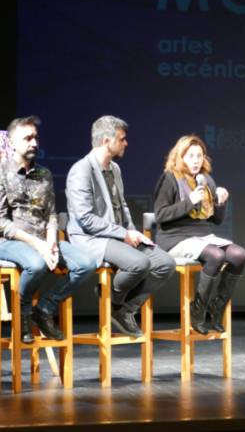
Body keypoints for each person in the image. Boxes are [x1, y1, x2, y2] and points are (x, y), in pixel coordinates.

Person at [0, 115, 97, 343]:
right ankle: (23, 313)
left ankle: (44, 308)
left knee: (86, 264)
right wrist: (38, 244)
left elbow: (51, 214)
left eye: (36, 138)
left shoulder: (44, 174)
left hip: (44, 239)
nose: (34, 143)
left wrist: (52, 242)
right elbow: (0, 222)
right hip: (10, 242)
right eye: (27, 138)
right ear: (11, 142)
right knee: (36, 264)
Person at [66, 115, 174, 337]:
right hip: (91, 238)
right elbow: (86, 219)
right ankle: (114, 300)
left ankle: (122, 307)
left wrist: (133, 232)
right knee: (139, 263)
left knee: (165, 263)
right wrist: (124, 234)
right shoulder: (81, 170)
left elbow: (122, 206)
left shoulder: (115, 169)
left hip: (117, 235)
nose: (126, 143)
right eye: (122, 139)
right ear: (106, 141)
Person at [153, 135, 245, 334]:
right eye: (191, 156)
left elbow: (216, 220)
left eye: (199, 156)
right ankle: (198, 310)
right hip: (175, 238)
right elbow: (160, 215)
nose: (196, 160)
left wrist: (220, 202)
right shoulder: (170, 178)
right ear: (180, 157)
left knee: (239, 255)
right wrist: (190, 201)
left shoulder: (205, 179)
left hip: (203, 237)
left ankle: (216, 308)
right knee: (216, 255)